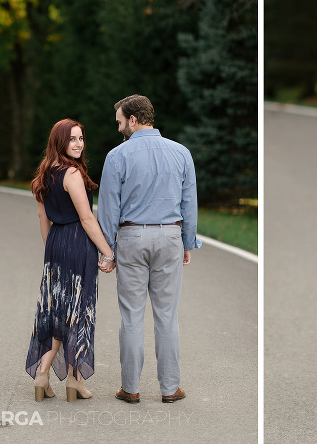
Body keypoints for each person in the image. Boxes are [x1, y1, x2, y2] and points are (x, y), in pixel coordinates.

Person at [97, 94, 200, 404]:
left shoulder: (117, 157)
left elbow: (108, 208)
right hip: (170, 235)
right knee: (167, 316)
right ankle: (170, 388)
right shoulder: (181, 153)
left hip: (131, 238)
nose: (118, 129)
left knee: (131, 316)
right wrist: (187, 242)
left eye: (119, 122)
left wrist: (107, 249)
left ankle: (131, 388)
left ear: (132, 119)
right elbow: (189, 203)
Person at [25, 119, 116, 402]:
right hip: (78, 242)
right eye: (72, 139)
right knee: (78, 310)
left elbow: (43, 219)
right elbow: (87, 218)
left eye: (80, 138)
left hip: (55, 244)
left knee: (58, 311)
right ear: (59, 142)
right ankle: (67, 379)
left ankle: (52, 376)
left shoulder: (42, 176)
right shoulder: (72, 174)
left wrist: (53, 250)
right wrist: (108, 252)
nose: (78, 144)